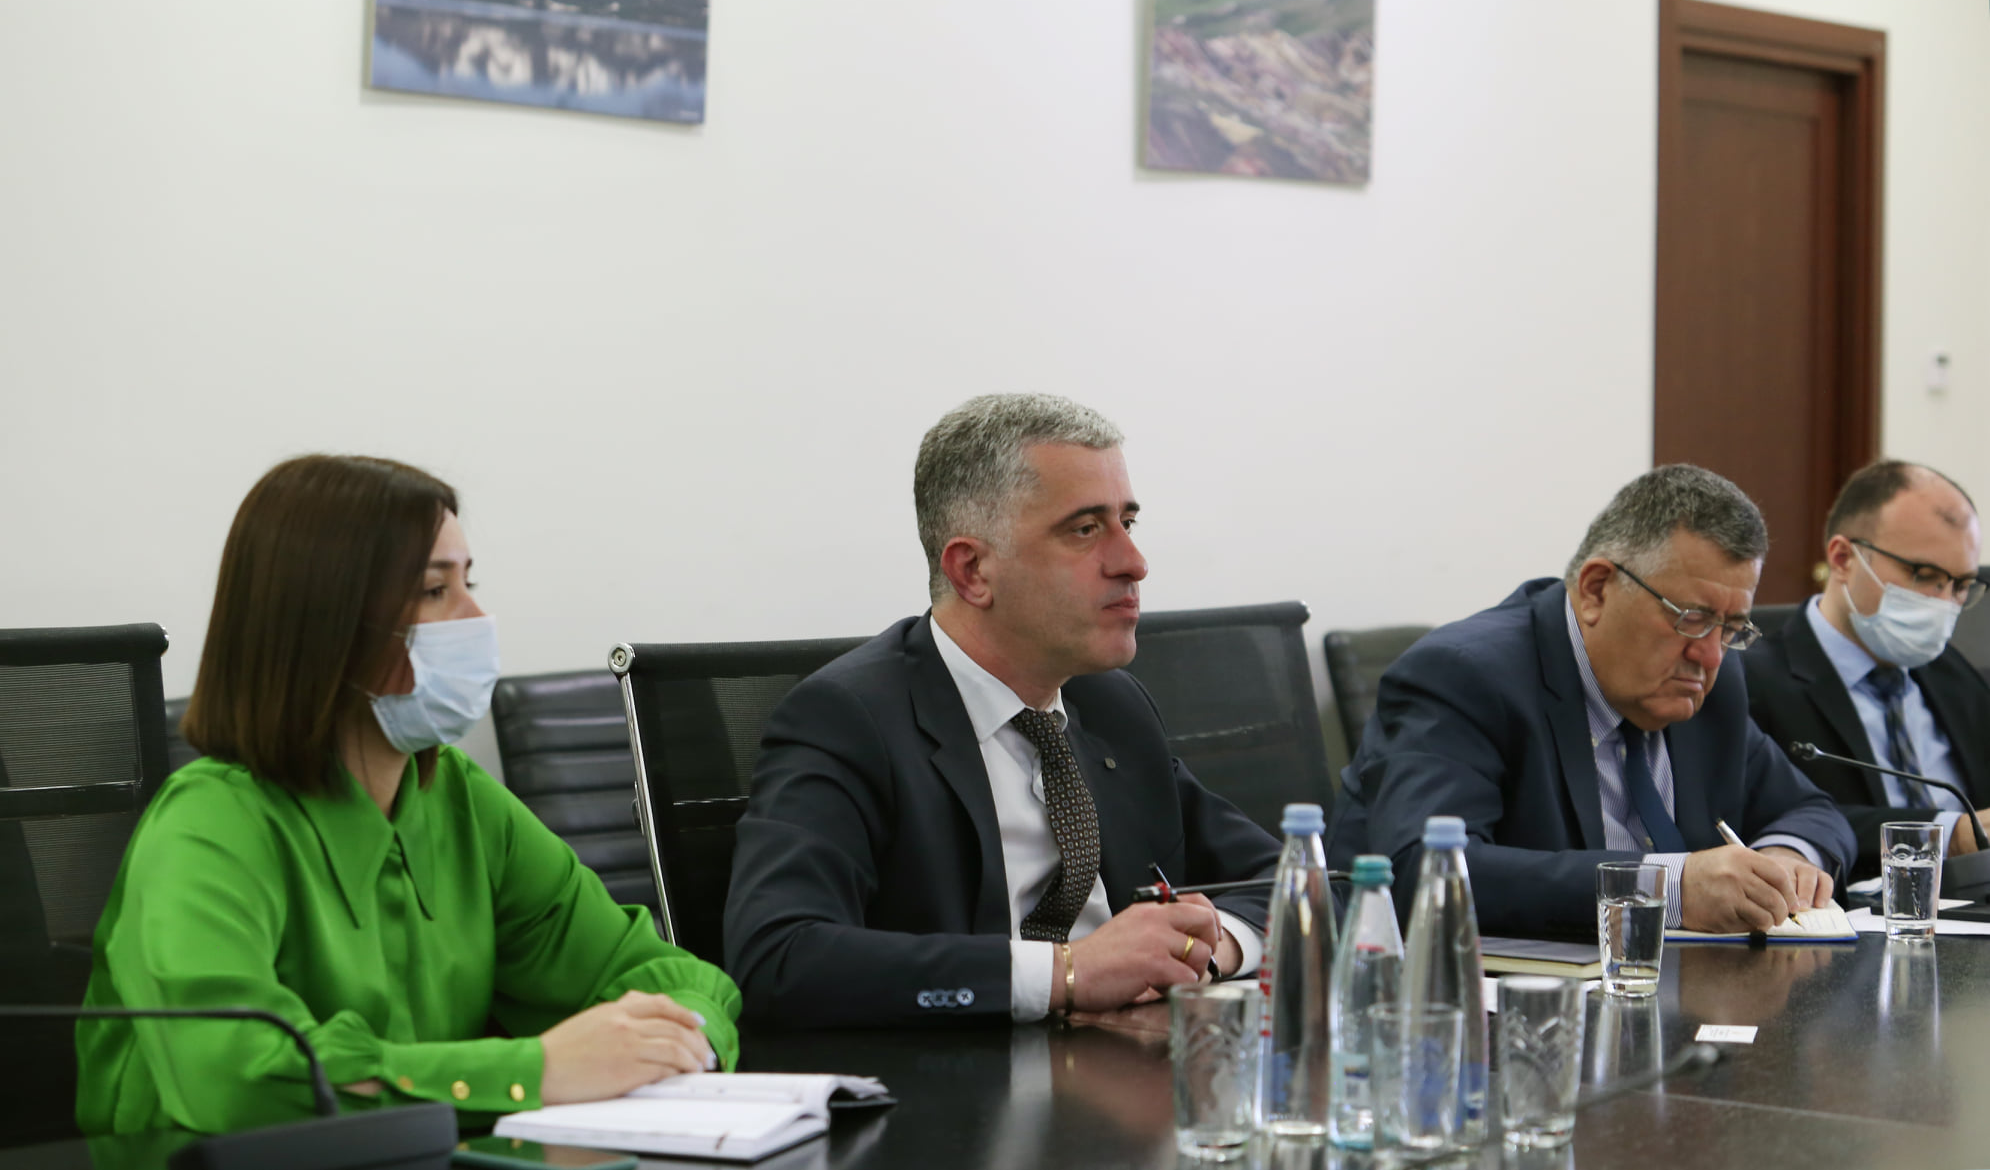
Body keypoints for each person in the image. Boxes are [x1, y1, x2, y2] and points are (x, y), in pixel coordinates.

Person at [77, 455, 739, 1136]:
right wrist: (534, 1071)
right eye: (433, 590)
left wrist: (681, 1039)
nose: (476, 616)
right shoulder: (206, 826)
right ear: (324, 624)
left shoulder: (459, 798)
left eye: (468, 581)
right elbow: (240, 1080)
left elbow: (661, 973)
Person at [724, 393, 1282, 1027]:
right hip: (966, 1074)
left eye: (1128, 522)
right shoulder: (848, 720)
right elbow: (778, 959)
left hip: (1133, 1057)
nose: (1134, 563)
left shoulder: (1111, 704)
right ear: (972, 571)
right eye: (1085, 529)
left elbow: (1304, 885)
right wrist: (1067, 974)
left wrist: (1205, 951)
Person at [1325, 465, 1854, 937]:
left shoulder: (1709, 684)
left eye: (1731, 627)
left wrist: (1786, 858)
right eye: (1691, 618)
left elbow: (1809, 809)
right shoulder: (1466, 675)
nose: (1710, 654)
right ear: (1597, 589)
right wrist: (1666, 888)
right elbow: (1426, 871)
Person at [1743, 460, 1990, 881]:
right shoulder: (1752, 682)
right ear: (1843, 558)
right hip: (1853, 909)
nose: (1944, 602)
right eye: (1925, 575)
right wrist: (1950, 835)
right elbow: (1775, 819)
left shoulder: (1954, 673)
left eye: (1962, 585)